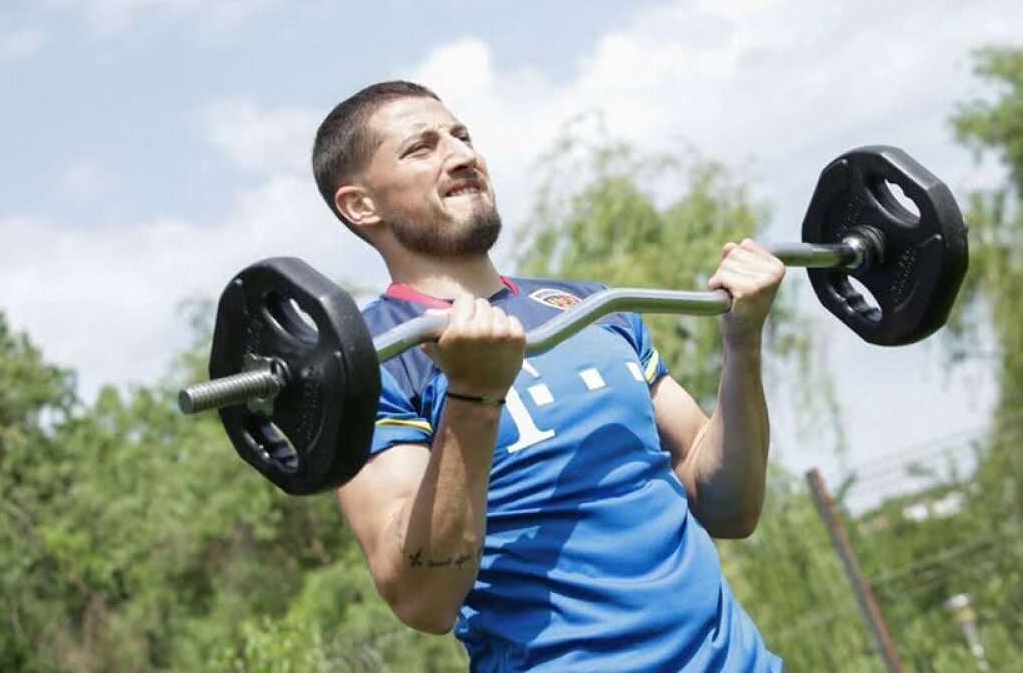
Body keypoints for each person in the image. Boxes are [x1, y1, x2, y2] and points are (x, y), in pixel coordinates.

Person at [313, 80, 786, 671]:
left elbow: (729, 506)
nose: (461, 154)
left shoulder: (592, 308)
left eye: (461, 136)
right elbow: (422, 600)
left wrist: (742, 343)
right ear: (361, 205)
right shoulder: (373, 361)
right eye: (422, 148)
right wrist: (473, 396)